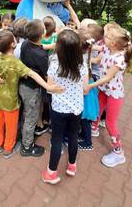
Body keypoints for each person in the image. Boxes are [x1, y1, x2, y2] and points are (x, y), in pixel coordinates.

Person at [0, 30, 63, 159]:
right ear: (13, 44)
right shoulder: (15, 62)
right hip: (10, 101)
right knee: (11, 125)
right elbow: (32, 74)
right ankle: (8, 148)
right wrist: (48, 86)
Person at [42, 29, 89, 185]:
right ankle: (72, 166)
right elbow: (85, 89)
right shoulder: (82, 66)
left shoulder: (54, 64)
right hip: (76, 108)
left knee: (57, 139)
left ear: (59, 47)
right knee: (73, 136)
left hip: (59, 109)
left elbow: (49, 87)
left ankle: (51, 172)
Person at [89, 25, 132, 168]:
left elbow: (107, 78)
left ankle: (118, 152)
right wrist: (84, 50)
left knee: (110, 122)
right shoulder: (108, 48)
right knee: (97, 108)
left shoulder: (119, 59)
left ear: (114, 43)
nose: (104, 37)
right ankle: (93, 128)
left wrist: (91, 85)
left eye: (107, 37)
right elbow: (96, 60)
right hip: (104, 89)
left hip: (114, 93)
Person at [19, 20, 49, 157]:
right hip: (33, 89)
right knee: (32, 116)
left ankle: (24, 136)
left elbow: (38, 47)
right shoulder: (41, 55)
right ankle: (27, 146)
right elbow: (46, 75)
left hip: (23, 85)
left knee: (26, 113)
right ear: (42, 34)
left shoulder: (26, 43)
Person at [77, 29, 99, 150]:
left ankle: (88, 142)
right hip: (88, 85)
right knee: (84, 119)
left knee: (85, 119)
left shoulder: (81, 59)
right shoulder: (87, 52)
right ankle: (84, 135)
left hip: (85, 91)